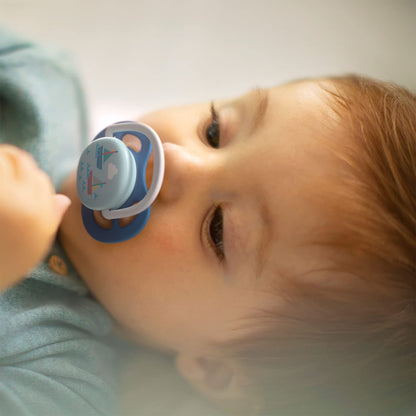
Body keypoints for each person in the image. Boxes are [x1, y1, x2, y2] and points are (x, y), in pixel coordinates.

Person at [1, 28, 415, 416]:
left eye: (218, 228)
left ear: (214, 368)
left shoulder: (58, 383)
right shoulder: (37, 86)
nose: (177, 159)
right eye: (214, 131)